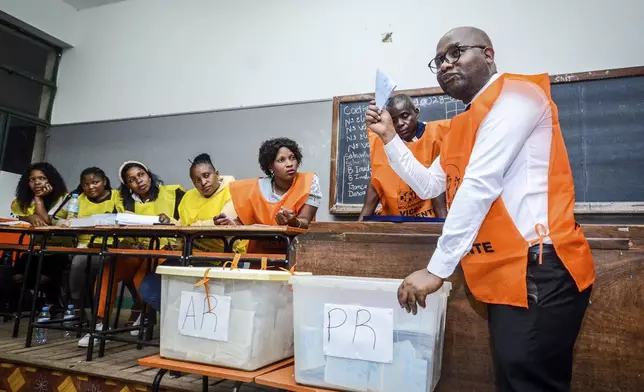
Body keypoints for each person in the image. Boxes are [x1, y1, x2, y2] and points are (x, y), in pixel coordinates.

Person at [366, 26, 594, 392]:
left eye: (456, 53)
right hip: (504, 271)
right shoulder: (463, 124)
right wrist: (390, 138)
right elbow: (429, 184)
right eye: (439, 60)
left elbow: (479, 184)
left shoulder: (517, 97)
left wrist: (437, 269)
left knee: (528, 380)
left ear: (488, 54)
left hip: (541, 269)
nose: (445, 64)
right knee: (512, 377)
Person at [78, 161, 185, 347]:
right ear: (127, 185)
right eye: (132, 180)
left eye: (141, 175)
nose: (139, 181)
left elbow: (189, 219)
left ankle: (145, 316)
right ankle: (99, 325)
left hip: (165, 249)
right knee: (107, 272)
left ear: (148, 175)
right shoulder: (123, 202)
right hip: (137, 248)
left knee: (141, 279)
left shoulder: (174, 193)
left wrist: (172, 221)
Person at [138, 153, 246, 311]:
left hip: (224, 259)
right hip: (189, 256)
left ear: (217, 174)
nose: (203, 182)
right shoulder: (189, 196)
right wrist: (170, 222)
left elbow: (222, 223)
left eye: (207, 176)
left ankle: (192, 321)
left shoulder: (233, 190)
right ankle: (184, 320)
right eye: (197, 180)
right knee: (149, 288)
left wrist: (193, 228)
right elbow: (183, 224)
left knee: (206, 299)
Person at [65, 167, 140, 324]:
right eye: (86, 184)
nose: (91, 187)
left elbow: (127, 218)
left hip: (113, 246)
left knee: (127, 263)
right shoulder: (77, 200)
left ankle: (138, 306)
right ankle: (77, 308)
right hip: (86, 247)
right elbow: (68, 220)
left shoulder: (117, 196)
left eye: (95, 182)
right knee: (78, 262)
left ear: (104, 181)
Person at [222, 138, 322, 253]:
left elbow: (305, 221)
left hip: (294, 254)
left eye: (292, 158)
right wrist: (230, 223)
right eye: (281, 160)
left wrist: (292, 221)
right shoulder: (254, 188)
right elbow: (243, 222)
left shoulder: (309, 182)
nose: (289, 164)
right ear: (270, 167)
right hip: (261, 257)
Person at [359, 94, 450, 220]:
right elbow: (377, 180)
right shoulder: (382, 143)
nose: (400, 124)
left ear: (416, 113)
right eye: (393, 120)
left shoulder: (437, 135)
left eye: (405, 116)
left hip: (430, 220)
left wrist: (443, 227)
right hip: (395, 222)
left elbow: (436, 187)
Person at [6, 163, 69, 312]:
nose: (37, 183)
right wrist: (30, 216)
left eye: (42, 178)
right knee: (16, 276)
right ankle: (20, 307)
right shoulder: (23, 201)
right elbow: (20, 217)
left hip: (59, 250)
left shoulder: (63, 199)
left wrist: (39, 200)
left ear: (51, 180)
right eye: (32, 179)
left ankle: (53, 302)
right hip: (36, 250)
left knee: (44, 277)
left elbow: (47, 223)